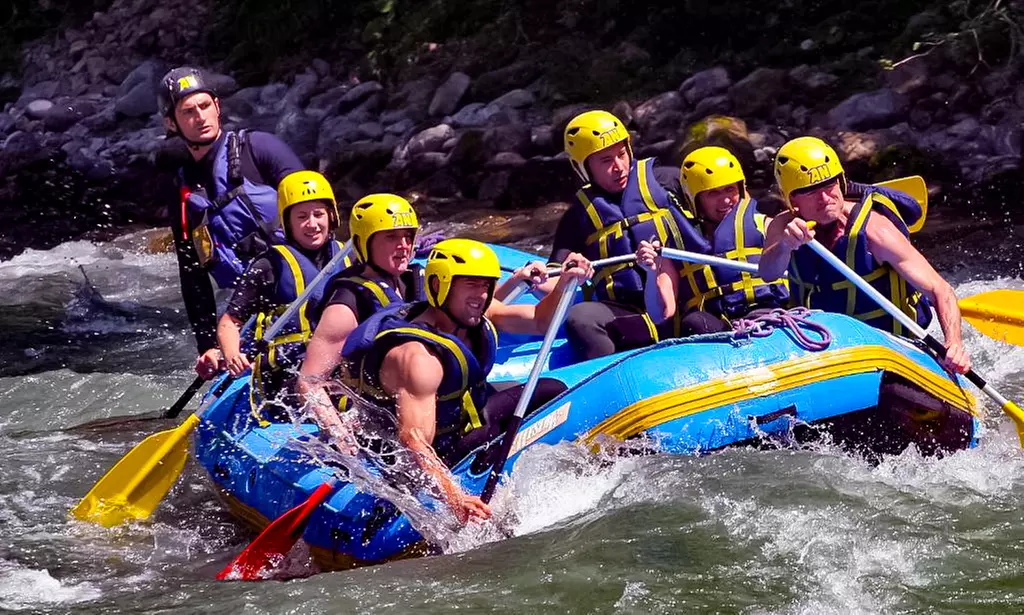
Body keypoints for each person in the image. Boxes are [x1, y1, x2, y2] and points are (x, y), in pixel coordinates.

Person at [329, 239, 591, 523]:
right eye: (470, 284)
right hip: (436, 451)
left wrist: (566, 282)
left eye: (485, 285)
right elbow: (414, 440)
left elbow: (541, 321)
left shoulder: (476, 312)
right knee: (496, 430)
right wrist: (454, 497)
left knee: (553, 391)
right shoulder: (417, 357)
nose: (481, 295)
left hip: (462, 418)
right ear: (439, 286)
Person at [500, 110, 711, 361]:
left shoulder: (667, 181)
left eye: (622, 154)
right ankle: (614, 382)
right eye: (605, 160)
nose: (618, 167)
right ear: (584, 167)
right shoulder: (579, 217)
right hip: (630, 313)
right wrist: (533, 276)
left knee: (698, 320)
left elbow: (719, 218)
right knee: (581, 318)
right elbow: (558, 280)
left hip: (689, 305)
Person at [758, 136, 971, 373]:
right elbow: (768, 273)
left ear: (841, 182)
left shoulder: (875, 231)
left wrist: (954, 343)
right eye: (810, 191)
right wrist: (785, 245)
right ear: (791, 198)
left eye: (829, 185)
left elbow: (940, 290)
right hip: (822, 344)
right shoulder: (784, 226)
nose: (825, 199)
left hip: (890, 347)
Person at [157, 66, 309, 380]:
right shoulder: (183, 191)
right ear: (172, 123)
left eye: (204, 106)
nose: (200, 117)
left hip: (306, 290)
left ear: (217, 106)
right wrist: (208, 345)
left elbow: (319, 212)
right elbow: (193, 273)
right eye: (188, 112)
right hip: (252, 313)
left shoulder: (258, 148)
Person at [214, 170, 347, 421]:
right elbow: (229, 323)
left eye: (318, 214)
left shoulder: (349, 256)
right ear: (288, 222)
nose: (312, 224)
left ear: (331, 215)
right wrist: (233, 355)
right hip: (287, 371)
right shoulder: (269, 265)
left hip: (338, 364)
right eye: (302, 216)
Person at [635, 146, 789, 329]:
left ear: (741, 188)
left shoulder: (767, 225)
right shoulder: (675, 247)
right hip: (712, 332)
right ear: (694, 199)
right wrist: (651, 273)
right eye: (713, 193)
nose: (725, 201)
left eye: (729, 189)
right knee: (694, 322)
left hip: (769, 317)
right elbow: (661, 313)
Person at [297, 194, 424, 406]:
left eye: (408, 236)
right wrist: (344, 439)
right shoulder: (346, 304)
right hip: (376, 416)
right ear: (364, 243)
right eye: (391, 237)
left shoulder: (416, 281)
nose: (403, 245)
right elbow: (308, 384)